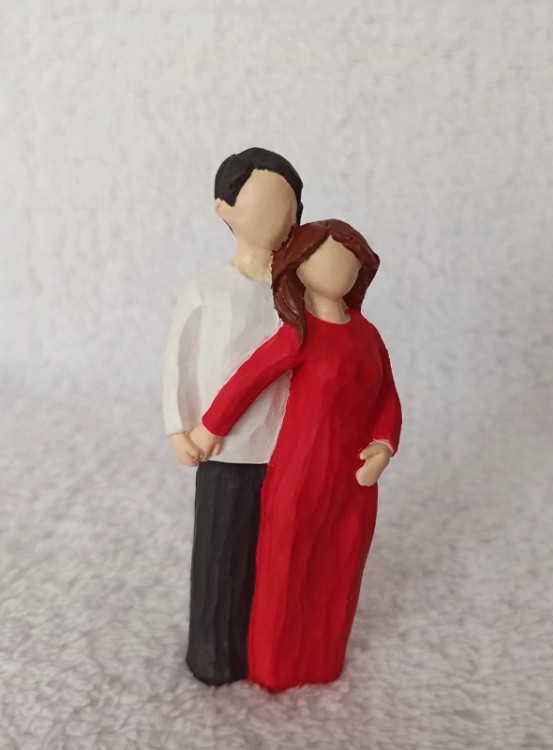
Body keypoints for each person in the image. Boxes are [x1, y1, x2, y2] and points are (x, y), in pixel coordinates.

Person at [190, 219, 402, 692]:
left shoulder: (368, 335)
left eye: (351, 259)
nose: (340, 268)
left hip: (356, 480)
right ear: (299, 267)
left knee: (340, 567)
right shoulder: (300, 333)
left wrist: (384, 446)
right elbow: (249, 380)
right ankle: (276, 667)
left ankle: (323, 660)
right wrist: (209, 428)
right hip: (302, 472)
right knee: (288, 568)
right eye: (326, 258)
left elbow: (387, 396)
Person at [162, 147, 303, 686]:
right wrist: (178, 425)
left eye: (288, 207)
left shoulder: (295, 294)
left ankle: (267, 652)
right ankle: (214, 653)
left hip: (287, 449)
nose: (278, 217)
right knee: (221, 557)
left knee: (272, 559)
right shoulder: (206, 291)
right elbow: (179, 360)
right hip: (222, 451)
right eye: (264, 203)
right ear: (224, 208)